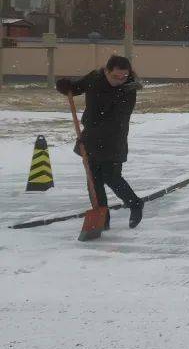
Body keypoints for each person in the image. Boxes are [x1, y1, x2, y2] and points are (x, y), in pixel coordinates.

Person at [55, 55, 145, 229]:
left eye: (124, 77)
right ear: (106, 71)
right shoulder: (95, 78)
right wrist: (66, 86)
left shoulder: (128, 89)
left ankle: (135, 204)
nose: (120, 80)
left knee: (112, 177)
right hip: (90, 137)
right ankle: (102, 218)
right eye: (115, 76)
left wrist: (87, 135)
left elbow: (115, 120)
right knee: (94, 181)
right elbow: (76, 88)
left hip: (114, 138)